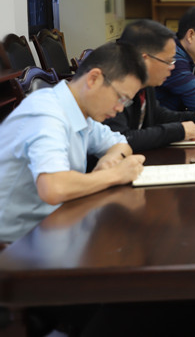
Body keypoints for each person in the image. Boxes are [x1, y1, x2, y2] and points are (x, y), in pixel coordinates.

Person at [0, 42, 148, 244]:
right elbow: (54, 188)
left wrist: (110, 160)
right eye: (120, 98)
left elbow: (120, 143)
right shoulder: (47, 114)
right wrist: (114, 174)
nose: (120, 108)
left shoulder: (80, 110)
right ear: (94, 79)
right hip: (14, 244)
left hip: (52, 226)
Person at [106, 19, 195, 152]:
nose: (172, 67)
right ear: (144, 60)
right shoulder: (112, 87)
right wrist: (178, 131)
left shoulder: (145, 83)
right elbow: (122, 139)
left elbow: (157, 115)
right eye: (168, 61)